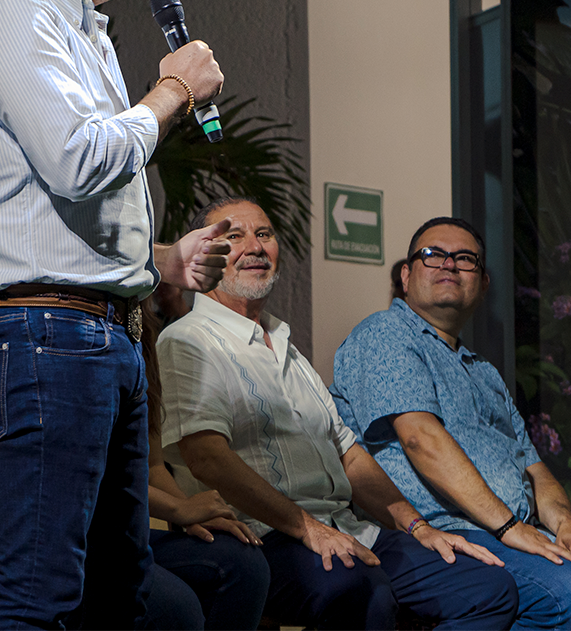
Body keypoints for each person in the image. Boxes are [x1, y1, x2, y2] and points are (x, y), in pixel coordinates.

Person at [0, 0, 233, 631]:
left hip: (94, 334)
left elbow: (63, 201)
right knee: (38, 599)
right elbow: (77, 159)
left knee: (115, 596)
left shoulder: (79, 31)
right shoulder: (12, 17)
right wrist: (171, 90)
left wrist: (158, 259)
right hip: (44, 335)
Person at [158, 197, 516, 631]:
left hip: (346, 528)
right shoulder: (187, 340)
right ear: (205, 252)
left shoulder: (286, 344)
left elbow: (349, 454)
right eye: (234, 236)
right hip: (265, 537)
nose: (254, 246)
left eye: (264, 234)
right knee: (360, 589)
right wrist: (308, 528)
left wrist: (417, 525)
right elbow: (206, 458)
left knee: (487, 588)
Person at [333, 216, 571, 631]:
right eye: (433, 255)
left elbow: (535, 468)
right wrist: (509, 527)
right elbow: (419, 438)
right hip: (442, 532)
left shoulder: (484, 372)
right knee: (564, 593)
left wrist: (566, 524)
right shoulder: (386, 333)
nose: (449, 264)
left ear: (483, 284)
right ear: (406, 275)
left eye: (465, 258)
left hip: (515, 530)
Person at [0, 302, 271, 631]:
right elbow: (79, 474)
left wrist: (196, 512)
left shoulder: (138, 336)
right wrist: (179, 509)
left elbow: (149, 468)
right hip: (31, 522)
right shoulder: (67, 338)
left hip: (112, 530)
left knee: (242, 566)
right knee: (174, 610)